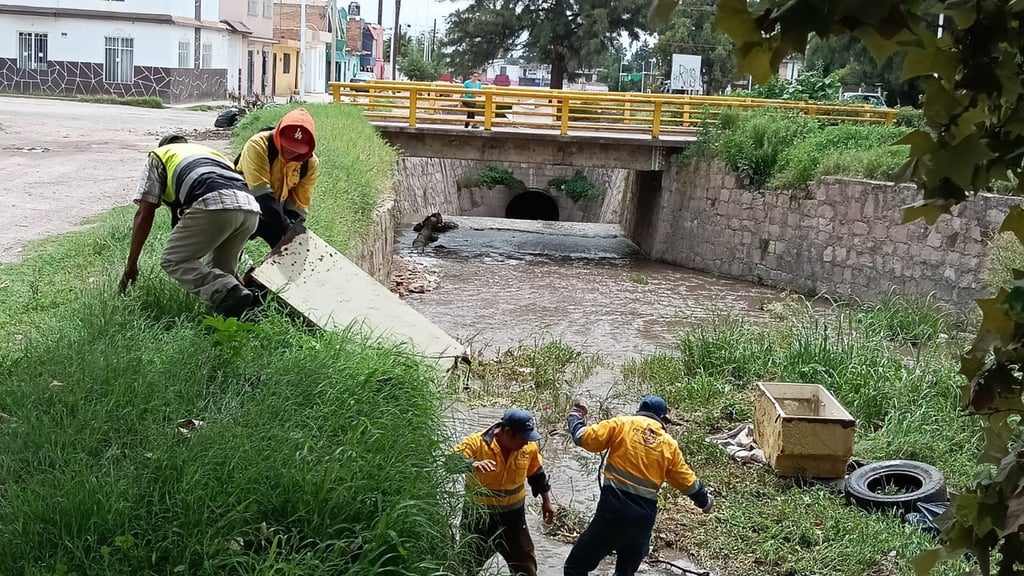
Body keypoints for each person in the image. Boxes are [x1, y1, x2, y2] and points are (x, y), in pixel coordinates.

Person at [563, 395, 715, 576]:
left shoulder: (621, 424)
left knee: (576, 567)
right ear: (663, 418)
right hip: (642, 522)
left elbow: (583, 438)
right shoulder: (669, 445)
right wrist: (704, 501)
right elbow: (686, 481)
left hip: (612, 513)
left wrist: (575, 417)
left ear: (639, 410)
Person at [119, 134, 261, 318]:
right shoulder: (210, 154)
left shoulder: (159, 156)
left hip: (213, 202)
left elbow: (144, 214)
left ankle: (227, 290)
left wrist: (131, 265)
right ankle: (247, 312)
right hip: (250, 209)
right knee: (222, 272)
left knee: (173, 260)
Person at [454, 408, 555, 576]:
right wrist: (472, 465)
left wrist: (547, 502)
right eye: (523, 438)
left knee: (526, 568)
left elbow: (537, 475)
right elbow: (449, 463)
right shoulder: (476, 443)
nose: (526, 442)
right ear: (507, 432)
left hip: (513, 520)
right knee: (466, 568)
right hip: (478, 520)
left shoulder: (528, 448)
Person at [234, 107, 320, 248]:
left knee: (290, 249)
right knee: (229, 253)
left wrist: (291, 229)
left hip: (275, 208)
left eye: (297, 149)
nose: (290, 151)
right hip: (244, 205)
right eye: (287, 144)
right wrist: (285, 229)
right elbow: (261, 195)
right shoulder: (258, 145)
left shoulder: (310, 164)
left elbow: (299, 205)